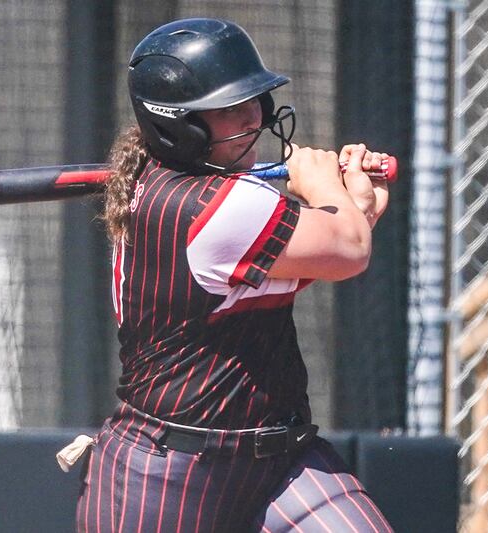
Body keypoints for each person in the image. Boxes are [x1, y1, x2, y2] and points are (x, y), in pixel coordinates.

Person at [74, 17, 393, 532]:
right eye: (227, 110)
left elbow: (317, 254)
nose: (251, 118)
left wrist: (353, 205)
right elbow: (349, 250)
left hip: (279, 461)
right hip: (168, 473)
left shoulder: (212, 194)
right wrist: (322, 184)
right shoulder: (209, 205)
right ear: (178, 126)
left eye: (253, 102)